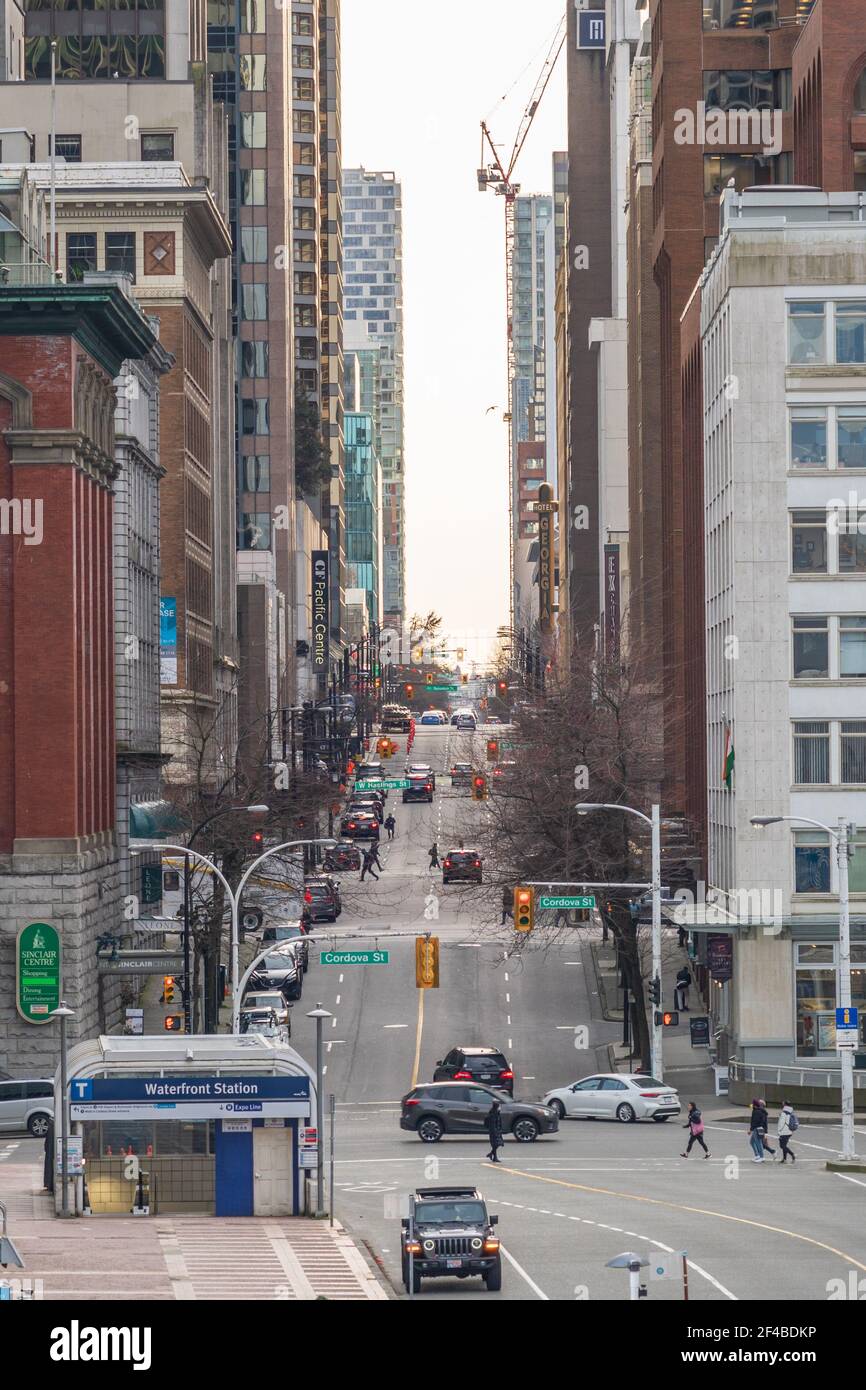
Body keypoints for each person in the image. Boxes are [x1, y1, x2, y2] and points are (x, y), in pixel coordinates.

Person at [748, 1097, 773, 1161]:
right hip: (758, 1128)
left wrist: (751, 1130)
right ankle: (757, 1155)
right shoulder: (758, 1110)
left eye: (753, 1104)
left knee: (758, 1143)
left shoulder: (757, 1111)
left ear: (755, 1105)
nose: (752, 1105)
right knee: (752, 1142)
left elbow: (755, 1122)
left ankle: (761, 1157)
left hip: (757, 1129)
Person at [777, 1100, 798, 1164]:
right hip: (789, 1131)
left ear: (785, 1105)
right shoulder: (791, 1112)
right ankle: (784, 1159)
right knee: (784, 1145)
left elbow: (781, 1123)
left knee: (782, 1146)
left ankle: (792, 1154)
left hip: (784, 1131)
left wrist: (779, 1131)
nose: (782, 1104)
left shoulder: (784, 1113)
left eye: (783, 1103)